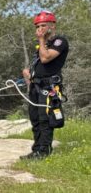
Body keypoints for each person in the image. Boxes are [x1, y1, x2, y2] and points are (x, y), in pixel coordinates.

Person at [21, 10, 69, 159]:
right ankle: (36, 149)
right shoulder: (43, 44)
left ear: (52, 26)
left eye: (43, 26)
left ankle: (44, 151)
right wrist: (28, 75)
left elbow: (46, 58)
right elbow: (39, 64)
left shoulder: (59, 42)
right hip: (36, 87)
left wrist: (41, 40)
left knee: (44, 119)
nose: (39, 29)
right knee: (35, 118)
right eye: (37, 27)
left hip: (49, 88)